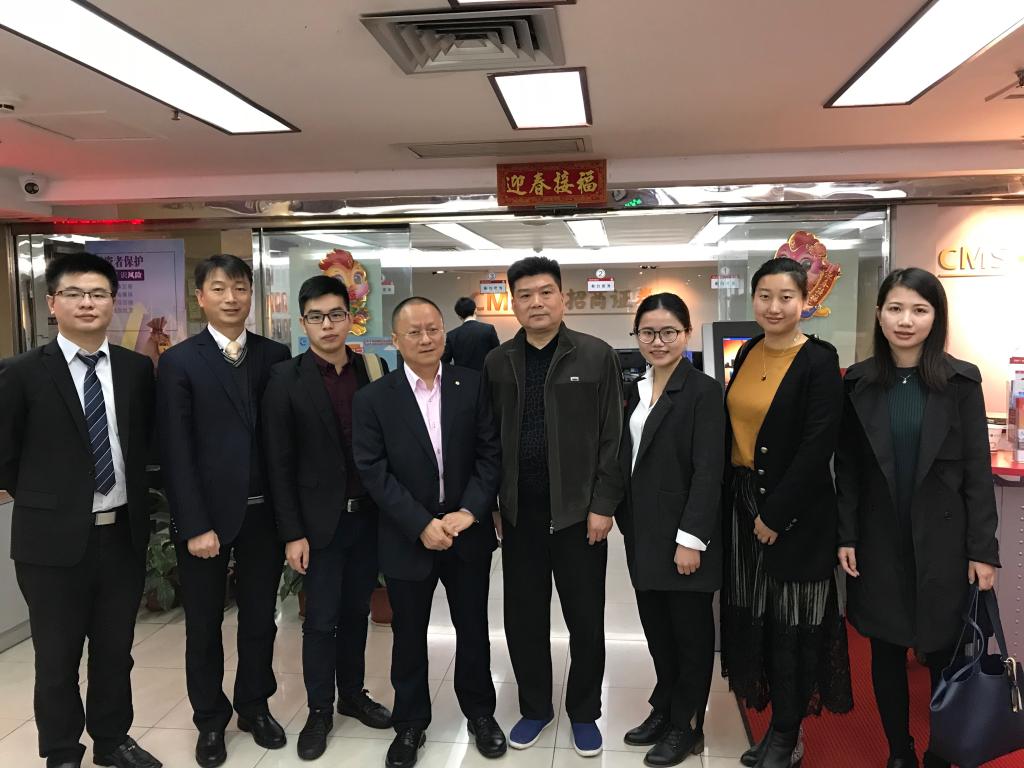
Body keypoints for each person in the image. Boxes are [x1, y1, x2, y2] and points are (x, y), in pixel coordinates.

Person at [0, 253, 161, 768]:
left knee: (115, 651)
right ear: (53, 303)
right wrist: (53, 501)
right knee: (57, 657)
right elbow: (5, 457)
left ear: (113, 302)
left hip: (121, 536)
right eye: (74, 294)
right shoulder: (21, 373)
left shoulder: (136, 369)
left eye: (98, 294)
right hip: (50, 544)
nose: (87, 303)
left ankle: (112, 741)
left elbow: (145, 446)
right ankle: (62, 752)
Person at [834, 268, 999, 768]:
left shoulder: (960, 382)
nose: (906, 320)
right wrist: (847, 534)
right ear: (879, 315)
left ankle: (939, 751)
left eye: (919, 310)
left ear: (935, 317)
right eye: (896, 309)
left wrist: (982, 551)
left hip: (944, 541)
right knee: (885, 650)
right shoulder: (859, 381)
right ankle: (899, 751)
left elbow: (977, 472)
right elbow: (849, 469)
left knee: (944, 652)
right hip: (879, 538)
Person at [353, 297, 505, 768]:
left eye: (433, 329)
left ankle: (480, 713)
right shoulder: (374, 398)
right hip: (407, 535)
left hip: (466, 532)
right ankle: (410, 723)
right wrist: (420, 523)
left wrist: (470, 511)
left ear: (445, 333)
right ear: (395, 341)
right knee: (408, 634)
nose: (425, 339)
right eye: (414, 332)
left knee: (473, 629)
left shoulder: (472, 385)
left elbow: (490, 454)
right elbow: (372, 470)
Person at [482, 256, 623, 758]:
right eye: (525, 295)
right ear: (513, 303)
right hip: (519, 513)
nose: (536, 303)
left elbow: (613, 436)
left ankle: (584, 712)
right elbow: (488, 439)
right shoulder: (498, 362)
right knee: (523, 619)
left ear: (563, 297)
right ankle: (535, 707)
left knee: (585, 618)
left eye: (546, 292)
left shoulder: (596, 355)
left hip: (579, 515)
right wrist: (493, 502)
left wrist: (603, 504)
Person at [157, 254, 291, 768]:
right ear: (200, 298)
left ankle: (254, 706)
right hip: (206, 520)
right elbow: (175, 449)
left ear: (251, 294)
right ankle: (210, 719)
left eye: (239, 287)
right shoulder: (179, 361)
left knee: (260, 619)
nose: (231, 297)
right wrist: (194, 524)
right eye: (218, 288)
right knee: (204, 624)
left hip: (264, 516)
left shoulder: (275, 355)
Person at [719, 257, 852, 768]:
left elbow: (818, 445)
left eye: (786, 297)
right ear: (753, 299)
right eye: (765, 296)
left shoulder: (819, 359)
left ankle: (787, 732)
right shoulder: (748, 350)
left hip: (794, 513)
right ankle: (774, 721)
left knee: (794, 624)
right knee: (759, 618)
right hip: (742, 503)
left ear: (805, 302)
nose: (774, 307)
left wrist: (776, 515)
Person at [262, 275, 393, 761]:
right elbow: (278, 462)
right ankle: (319, 710)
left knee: (357, 612)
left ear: (350, 318)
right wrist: (292, 532)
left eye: (336, 314)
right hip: (318, 525)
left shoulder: (373, 369)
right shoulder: (285, 378)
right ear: (304, 323)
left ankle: (352, 695)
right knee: (320, 621)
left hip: (367, 519)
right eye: (316, 317)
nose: (328, 325)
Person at [617, 293, 724, 767]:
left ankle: (688, 725)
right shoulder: (637, 386)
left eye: (668, 332)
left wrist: (691, 539)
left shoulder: (702, 391)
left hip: (684, 538)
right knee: (658, 631)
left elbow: (709, 470)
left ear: (686, 333)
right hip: (644, 532)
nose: (657, 341)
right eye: (647, 332)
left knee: (691, 637)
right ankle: (664, 707)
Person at [441, 297, 499, 371]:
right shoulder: (488, 329)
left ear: (459, 316)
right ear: (475, 310)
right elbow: (498, 354)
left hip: (462, 376)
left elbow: (444, 362)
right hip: (485, 376)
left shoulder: (452, 335)